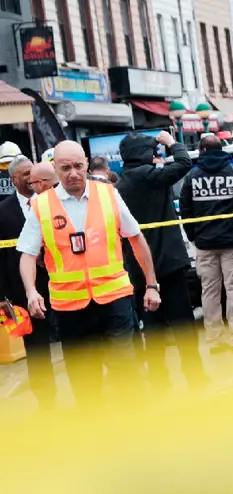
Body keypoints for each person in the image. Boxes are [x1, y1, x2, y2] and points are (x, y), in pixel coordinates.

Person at [16, 141, 160, 408]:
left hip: (114, 299)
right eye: (65, 167)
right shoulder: (42, 206)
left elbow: (136, 239)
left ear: (86, 163)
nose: (73, 173)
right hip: (70, 307)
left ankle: (135, 425)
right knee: (84, 379)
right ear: (55, 170)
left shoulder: (108, 195)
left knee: (125, 370)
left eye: (78, 166)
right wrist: (31, 291)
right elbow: (26, 254)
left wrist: (151, 284)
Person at [117, 130, 208, 392]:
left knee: (153, 327)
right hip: (167, 263)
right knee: (182, 324)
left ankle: (159, 380)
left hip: (140, 268)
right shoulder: (148, 177)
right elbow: (183, 163)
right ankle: (195, 375)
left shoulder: (121, 183)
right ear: (146, 154)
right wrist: (170, 142)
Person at [179, 134, 233, 353]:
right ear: (220, 149)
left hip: (205, 244)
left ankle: (215, 340)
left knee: (209, 291)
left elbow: (186, 210)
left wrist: (193, 236)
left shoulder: (192, 176)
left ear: (201, 150)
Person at [0, 155, 57, 410]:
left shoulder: (53, 203)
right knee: (37, 349)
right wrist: (3, 296)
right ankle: (47, 402)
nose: (31, 179)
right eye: (25, 175)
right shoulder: (3, 212)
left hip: (61, 284)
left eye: (33, 173)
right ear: (13, 179)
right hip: (23, 291)